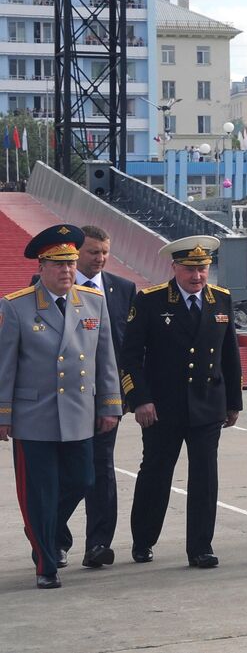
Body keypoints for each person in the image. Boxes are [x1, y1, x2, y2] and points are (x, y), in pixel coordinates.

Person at [0, 224, 121, 588]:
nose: (66, 270)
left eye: (70, 263)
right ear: (41, 267)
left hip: (78, 413)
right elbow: (5, 366)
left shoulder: (93, 302)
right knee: (40, 489)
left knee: (82, 479)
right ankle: (46, 566)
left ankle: (41, 525)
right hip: (33, 417)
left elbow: (106, 358)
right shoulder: (17, 306)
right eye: (58, 264)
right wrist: (3, 415)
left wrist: (110, 404)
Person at [122, 235, 242, 569]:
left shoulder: (221, 300)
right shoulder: (150, 301)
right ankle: (143, 539)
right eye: (190, 269)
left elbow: (229, 355)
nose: (198, 276)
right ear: (174, 267)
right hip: (162, 407)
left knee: (205, 477)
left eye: (203, 268)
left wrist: (233, 402)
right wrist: (139, 400)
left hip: (207, 404)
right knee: (156, 474)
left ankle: (200, 547)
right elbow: (130, 357)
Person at [50, 226, 136, 570]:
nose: (99, 259)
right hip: (61, 399)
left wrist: (126, 395)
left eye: (104, 252)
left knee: (101, 470)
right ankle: (52, 536)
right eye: (92, 252)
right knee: (67, 474)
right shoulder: (49, 287)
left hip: (105, 398)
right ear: (75, 253)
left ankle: (99, 543)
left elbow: (129, 347)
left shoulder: (123, 289)